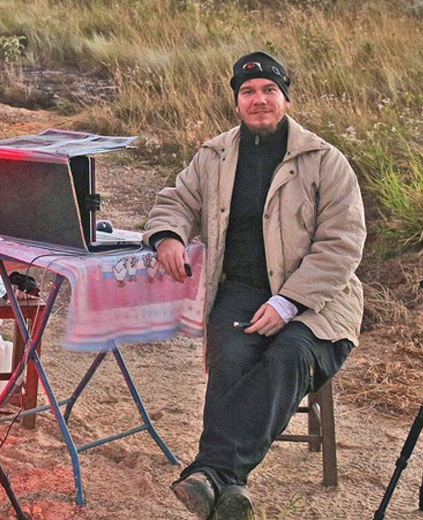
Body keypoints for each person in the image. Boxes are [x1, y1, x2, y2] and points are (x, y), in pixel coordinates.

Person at [143, 51, 366, 520]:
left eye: (268, 90)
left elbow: (341, 246)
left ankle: (211, 474)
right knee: (232, 355)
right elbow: (178, 201)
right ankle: (230, 484)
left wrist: (289, 302)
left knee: (289, 354)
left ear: (285, 97)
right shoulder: (215, 154)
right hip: (241, 288)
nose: (258, 99)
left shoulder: (325, 160)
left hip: (319, 299)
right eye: (248, 92)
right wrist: (168, 235)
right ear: (237, 102)